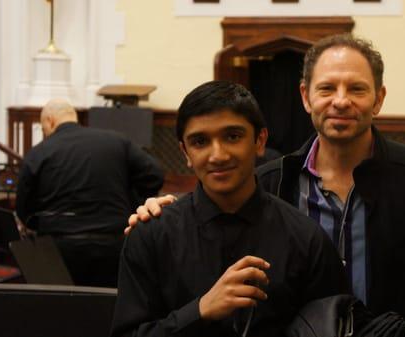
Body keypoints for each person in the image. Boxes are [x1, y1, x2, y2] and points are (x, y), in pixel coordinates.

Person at [128, 34, 405, 337]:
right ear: (306, 97)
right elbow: (213, 214)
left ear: (379, 99)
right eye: (328, 88)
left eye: (357, 89)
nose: (341, 101)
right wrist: (165, 209)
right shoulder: (270, 182)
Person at [110, 81, 350, 337]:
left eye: (232, 137)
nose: (218, 155)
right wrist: (199, 311)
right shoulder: (151, 236)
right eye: (200, 141)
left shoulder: (305, 238)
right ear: (186, 153)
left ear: (260, 141)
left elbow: (334, 327)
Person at [15, 98, 164, 287]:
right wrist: (131, 203)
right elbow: (154, 174)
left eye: (44, 129)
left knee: (63, 308)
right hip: (114, 242)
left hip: (59, 247)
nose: (45, 134)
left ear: (50, 121)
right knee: (111, 305)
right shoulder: (116, 141)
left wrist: (44, 223)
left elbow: (24, 209)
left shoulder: (39, 152)